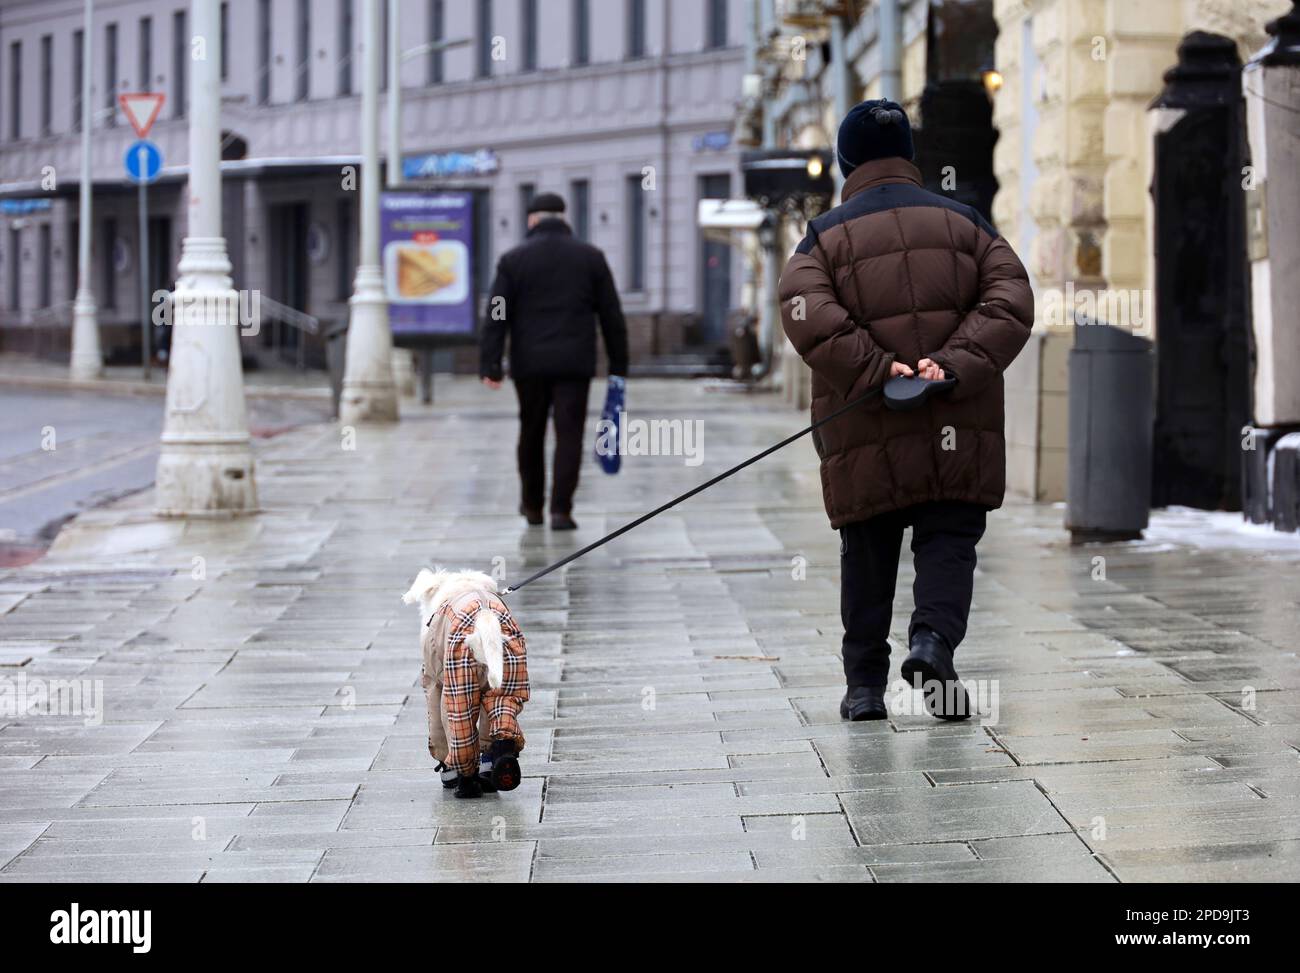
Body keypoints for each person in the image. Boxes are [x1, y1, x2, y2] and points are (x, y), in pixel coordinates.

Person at [778, 99, 1034, 722]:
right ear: (910, 159)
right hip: (956, 418)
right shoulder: (969, 223)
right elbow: (1012, 298)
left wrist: (874, 367)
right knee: (949, 542)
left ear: (846, 160)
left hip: (864, 422)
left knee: (867, 550)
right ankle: (932, 646)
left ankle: (865, 688)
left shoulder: (823, 237)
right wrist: (951, 363)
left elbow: (802, 306)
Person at [480, 192, 629, 530]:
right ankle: (561, 510)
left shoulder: (513, 260)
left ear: (532, 220)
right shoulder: (590, 257)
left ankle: (532, 506)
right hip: (574, 364)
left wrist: (490, 362)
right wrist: (619, 365)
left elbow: (496, 313)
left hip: (529, 364)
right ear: (564, 218)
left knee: (530, 432)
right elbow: (611, 316)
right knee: (569, 434)